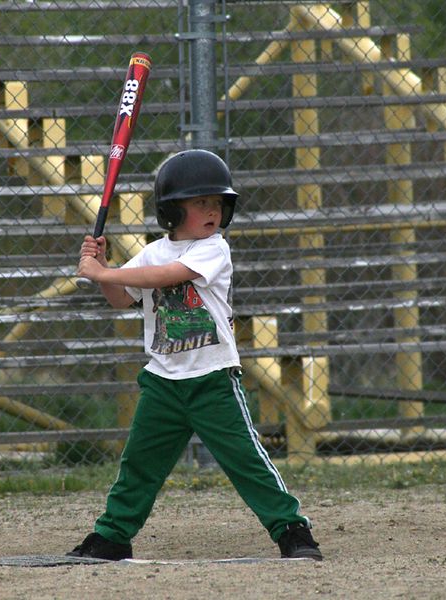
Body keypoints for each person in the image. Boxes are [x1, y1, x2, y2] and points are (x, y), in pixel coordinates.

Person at [69, 149, 322, 561]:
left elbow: (171, 276)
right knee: (139, 466)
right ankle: (113, 535)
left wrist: (105, 272)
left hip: (212, 380)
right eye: (200, 203)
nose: (212, 212)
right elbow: (121, 298)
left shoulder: (214, 249)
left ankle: (292, 530)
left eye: (218, 204)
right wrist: (101, 266)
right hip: (163, 383)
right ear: (172, 210)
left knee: (246, 461)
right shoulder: (152, 252)